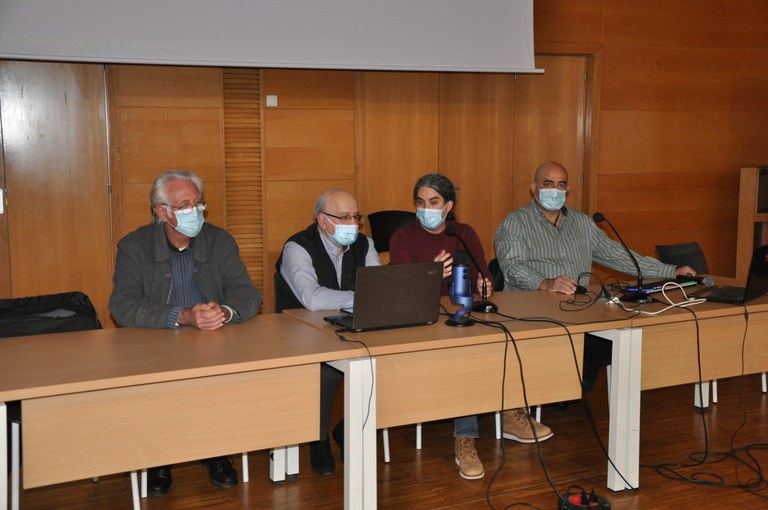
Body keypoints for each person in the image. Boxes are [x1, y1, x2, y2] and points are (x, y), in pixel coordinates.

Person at [493, 161, 696, 431]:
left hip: (580, 312)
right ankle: (524, 399)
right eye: (548, 184)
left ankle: (566, 385)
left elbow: (618, 256)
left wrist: (670, 271)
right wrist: (545, 282)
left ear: (568, 190)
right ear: (534, 188)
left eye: (561, 185)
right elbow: (512, 266)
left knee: (622, 338)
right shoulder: (515, 222)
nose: (555, 190)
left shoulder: (581, 223)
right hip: (531, 314)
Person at [109, 169, 261, 496]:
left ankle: (216, 452)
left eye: (198, 203)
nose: (195, 211)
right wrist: (182, 316)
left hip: (212, 341)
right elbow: (121, 306)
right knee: (158, 384)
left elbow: (248, 294)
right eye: (185, 205)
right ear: (162, 212)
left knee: (221, 379)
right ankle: (159, 459)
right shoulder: (134, 246)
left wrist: (225, 311)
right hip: (158, 343)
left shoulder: (219, 241)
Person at [389, 173, 494, 481]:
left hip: (460, 319)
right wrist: (431, 273)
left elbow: (484, 277)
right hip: (419, 325)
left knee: (490, 341)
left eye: (433, 202)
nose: (426, 208)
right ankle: (465, 437)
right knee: (466, 353)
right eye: (420, 202)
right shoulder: (402, 238)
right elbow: (401, 292)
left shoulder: (463, 233)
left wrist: (484, 285)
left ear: (448, 206)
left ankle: (511, 410)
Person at [275, 188, 381, 475]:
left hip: (350, 329)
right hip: (301, 333)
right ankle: (317, 439)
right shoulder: (297, 247)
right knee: (325, 372)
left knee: (384, 359)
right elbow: (311, 298)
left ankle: (347, 429)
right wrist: (358, 296)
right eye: (344, 217)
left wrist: (364, 297)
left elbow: (378, 287)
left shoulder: (364, 244)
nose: (353, 224)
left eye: (356, 217)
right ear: (323, 221)